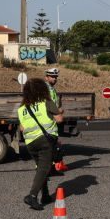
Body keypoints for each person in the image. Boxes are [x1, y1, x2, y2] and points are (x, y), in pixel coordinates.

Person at [18, 78, 64, 210]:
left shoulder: (22, 108)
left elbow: (22, 128)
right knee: (44, 168)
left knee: (41, 168)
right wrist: (61, 112)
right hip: (45, 141)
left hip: (30, 143)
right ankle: (32, 196)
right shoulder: (46, 102)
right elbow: (59, 120)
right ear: (42, 89)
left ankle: (45, 195)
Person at [44, 67, 66, 172]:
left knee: (52, 145)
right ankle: (46, 168)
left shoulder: (52, 89)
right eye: (52, 77)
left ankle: (50, 167)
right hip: (47, 121)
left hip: (52, 121)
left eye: (56, 77)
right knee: (48, 146)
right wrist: (58, 111)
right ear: (46, 77)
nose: (55, 79)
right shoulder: (45, 89)